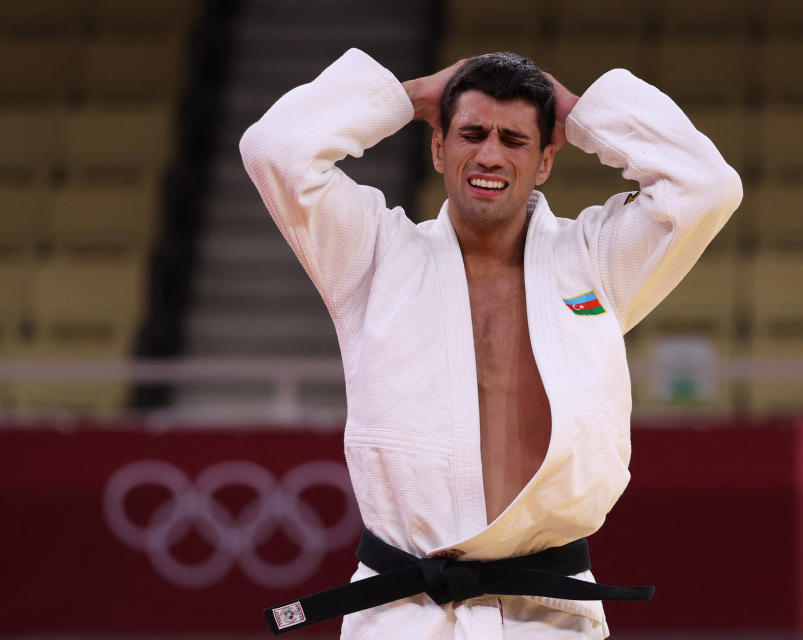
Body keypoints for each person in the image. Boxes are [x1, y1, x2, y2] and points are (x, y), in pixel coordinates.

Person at [240, 47, 742, 639]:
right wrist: (413, 95)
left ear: (546, 158)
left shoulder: (591, 263)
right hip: (403, 614)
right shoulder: (374, 257)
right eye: (472, 133)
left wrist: (580, 112)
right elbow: (275, 151)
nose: (489, 155)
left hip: (550, 615)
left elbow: (707, 187)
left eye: (514, 139)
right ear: (438, 147)